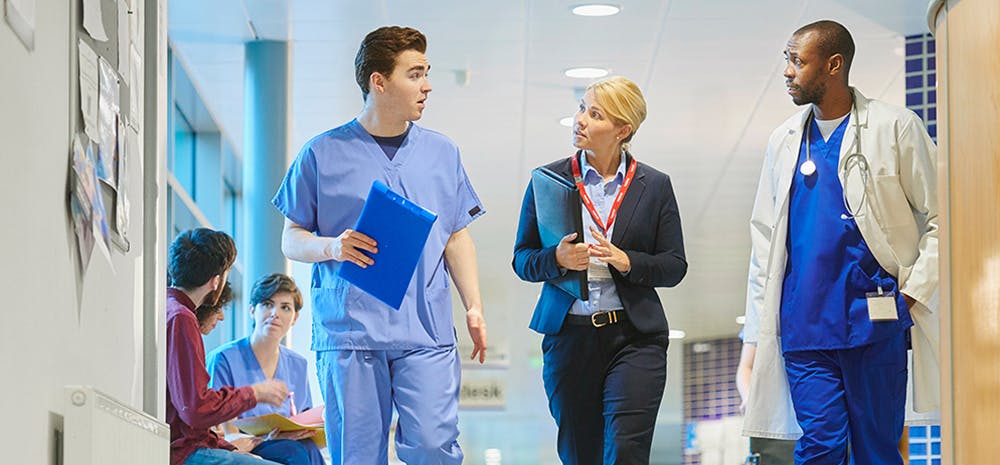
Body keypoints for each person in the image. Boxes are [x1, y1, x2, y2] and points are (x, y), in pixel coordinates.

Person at [272, 26, 488, 465]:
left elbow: (455, 234)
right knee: (357, 455)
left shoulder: (442, 153)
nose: (427, 85)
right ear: (379, 81)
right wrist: (333, 248)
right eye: (415, 74)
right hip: (350, 330)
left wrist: (473, 305)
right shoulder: (321, 153)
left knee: (433, 446)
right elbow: (291, 238)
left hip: (425, 329)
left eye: (426, 73)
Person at [742, 20, 939, 465]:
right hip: (803, 328)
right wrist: (757, 329)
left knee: (877, 450)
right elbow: (765, 244)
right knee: (821, 447)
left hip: (875, 322)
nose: (788, 72)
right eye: (787, 60)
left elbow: (942, 219)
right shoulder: (783, 141)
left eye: (798, 60)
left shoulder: (896, 128)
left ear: (834, 65)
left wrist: (911, 294)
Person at [512, 75, 687, 465]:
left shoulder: (654, 186)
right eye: (582, 109)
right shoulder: (548, 180)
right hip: (569, 338)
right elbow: (522, 258)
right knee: (580, 454)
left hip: (634, 337)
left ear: (623, 130)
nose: (581, 120)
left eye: (595, 114)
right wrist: (556, 259)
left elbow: (674, 265)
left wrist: (628, 262)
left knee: (625, 450)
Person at [166, 228, 290, 465]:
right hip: (184, 454)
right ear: (216, 281)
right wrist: (256, 393)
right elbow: (196, 408)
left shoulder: (169, 308)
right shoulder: (182, 318)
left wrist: (227, 446)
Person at [208, 273, 324, 465]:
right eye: (268, 304)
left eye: (285, 307)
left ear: (295, 317)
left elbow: (304, 419)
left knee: (309, 448)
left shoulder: (298, 365)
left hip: (289, 444)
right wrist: (266, 439)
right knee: (293, 451)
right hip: (242, 447)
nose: (275, 313)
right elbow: (224, 431)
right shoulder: (224, 359)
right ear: (252, 310)